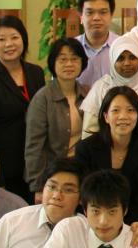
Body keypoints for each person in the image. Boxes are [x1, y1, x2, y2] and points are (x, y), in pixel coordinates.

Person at [0, 15, 46, 202]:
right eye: (1, 39)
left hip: (35, 163)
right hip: (6, 164)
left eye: (14, 37)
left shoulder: (36, 73)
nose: (9, 44)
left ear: (23, 40)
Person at [74, 87, 138, 224]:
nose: (123, 116)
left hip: (132, 224)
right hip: (92, 221)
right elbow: (83, 196)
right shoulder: (86, 149)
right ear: (106, 116)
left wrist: (124, 228)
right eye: (116, 110)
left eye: (130, 110)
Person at [25, 38, 90, 198]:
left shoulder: (87, 94)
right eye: (62, 59)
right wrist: (38, 186)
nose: (69, 64)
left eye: (74, 59)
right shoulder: (43, 98)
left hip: (82, 174)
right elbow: (34, 146)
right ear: (53, 63)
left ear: (82, 63)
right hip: (52, 177)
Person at [81, 36, 138, 139]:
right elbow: (89, 130)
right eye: (120, 58)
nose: (127, 63)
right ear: (113, 61)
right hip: (105, 146)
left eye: (132, 57)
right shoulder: (101, 88)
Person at [73, 0, 119, 87]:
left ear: (111, 16)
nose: (96, 18)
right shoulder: (71, 48)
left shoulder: (122, 46)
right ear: (81, 17)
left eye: (103, 12)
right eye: (90, 12)